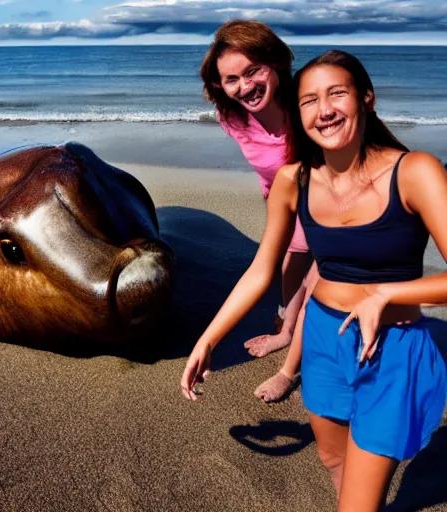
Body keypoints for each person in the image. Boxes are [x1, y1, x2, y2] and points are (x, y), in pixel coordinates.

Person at [181, 49, 447, 511]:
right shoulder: (293, 181)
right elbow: (262, 271)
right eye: (308, 100)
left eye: (336, 94)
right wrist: (209, 338)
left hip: (391, 349)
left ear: (366, 98)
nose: (323, 110)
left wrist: (386, 295)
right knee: (332, 457)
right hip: (322, 338)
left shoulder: (415, 171)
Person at [200, 19, 313, 400]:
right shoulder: (231, 118)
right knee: (289, 266)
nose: (245, 86)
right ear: (220, 85)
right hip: (281, 203)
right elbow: (268, 169)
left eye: (253, 71)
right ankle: (286, 329)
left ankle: (289, 371)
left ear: (275, 63)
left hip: (326, 205)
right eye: (232, 79)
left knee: (318, 285)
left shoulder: (305, 105)